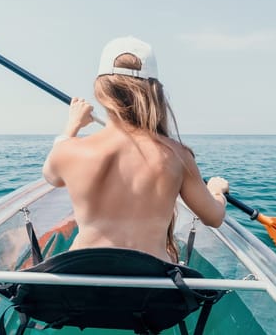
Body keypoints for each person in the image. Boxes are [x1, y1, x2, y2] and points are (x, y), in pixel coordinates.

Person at [42, 36, 229, 263]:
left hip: (85, 282)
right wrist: (217, 191)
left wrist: (72, 125)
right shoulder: (178, 156)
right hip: (148, 288)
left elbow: (51, 176)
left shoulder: (71, 152)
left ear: (101, 91)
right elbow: (213, 217)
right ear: (155, 92)